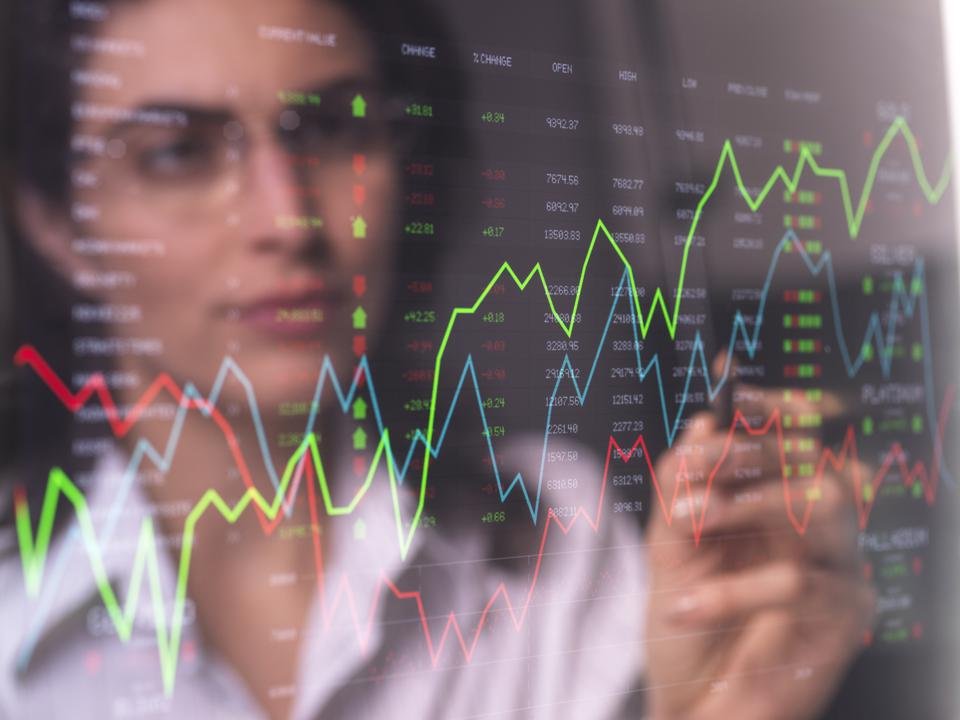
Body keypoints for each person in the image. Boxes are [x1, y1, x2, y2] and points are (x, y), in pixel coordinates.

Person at [0, 0, 875, 717]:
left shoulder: (555, 544)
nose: (289, 220)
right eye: (178, 153)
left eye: (337, 127)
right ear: (56, 222)